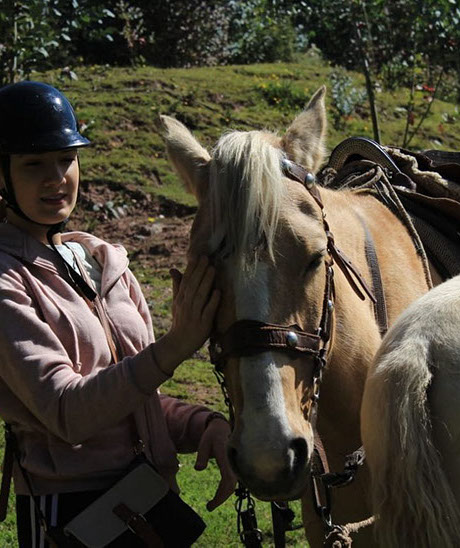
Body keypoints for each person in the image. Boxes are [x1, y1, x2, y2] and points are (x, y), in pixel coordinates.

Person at [0, 81, 235, 547]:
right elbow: (67, 412)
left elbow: (138, 399)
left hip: (150, 505)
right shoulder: (7, 280)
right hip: (71, 516)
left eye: (66, 159)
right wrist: (173, 348)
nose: (56, 178)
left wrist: (204, 425)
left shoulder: (103, 263)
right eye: (33, 164)